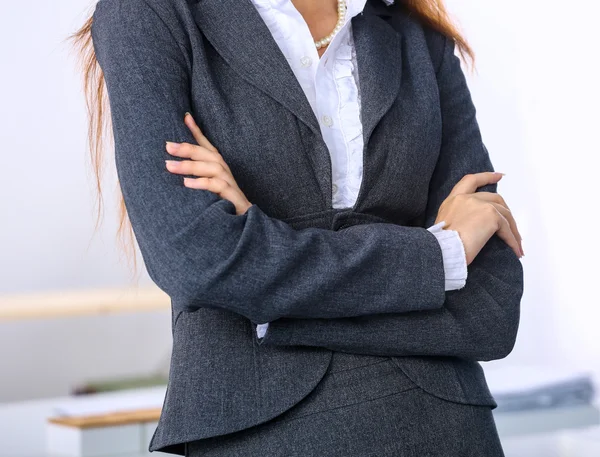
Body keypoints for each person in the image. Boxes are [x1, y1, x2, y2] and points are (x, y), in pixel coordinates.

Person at [69, 0, 525, 455]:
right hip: (262, 430)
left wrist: (267, 307)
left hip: (447, 425)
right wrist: (440, 255)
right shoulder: (150, 14)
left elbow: (489, 314)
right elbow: (197, 258)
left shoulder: (417, 36)